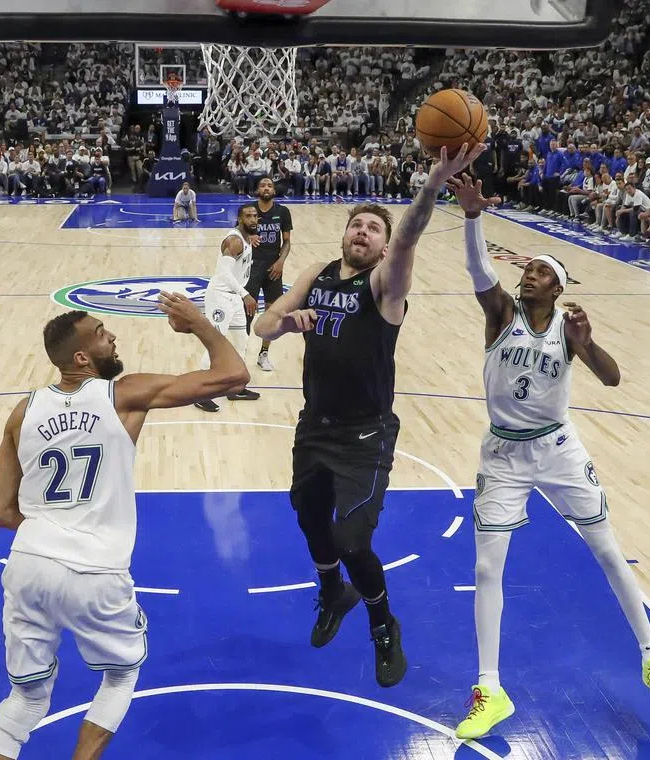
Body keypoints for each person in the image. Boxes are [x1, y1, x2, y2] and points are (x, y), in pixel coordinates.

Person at [444, 174, 650, 739]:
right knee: (486, 567)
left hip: (558, 448)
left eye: (540, 272)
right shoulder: (500, 314)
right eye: (527, 269)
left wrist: (586, 344)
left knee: (607, 550)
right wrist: (473, 216)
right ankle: (490, 689)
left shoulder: (568, 329)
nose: (528, 275)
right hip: (502, 454)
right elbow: (481, 274)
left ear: (557, 287)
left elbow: (612, 378)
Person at [253, 143, 486, 687]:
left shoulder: (385, 286)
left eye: (373, 230)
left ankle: (383, 623)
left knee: (353, 540)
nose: (363, 232)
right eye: (357, 225)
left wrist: (432, 183)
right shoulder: (318, 271)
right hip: (315, 426)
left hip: (366, 435)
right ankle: (332, 588)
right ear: (344, 234)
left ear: (384, 248)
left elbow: (409, 234)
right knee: (311, 520)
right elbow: (263, 325)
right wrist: (286, 324)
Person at [0, 295, 249, 760]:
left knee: (25, 699)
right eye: (103, 333)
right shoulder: (123, 394)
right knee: (121, 675)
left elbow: (1, 513)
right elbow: (233, 375)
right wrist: (200, 324)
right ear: (82, 357)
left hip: (27, 564)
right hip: (96, 570)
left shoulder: (22, 414)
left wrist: (53, 533)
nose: (113, 335)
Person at [195, 205, 261, 412]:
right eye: (248, 216)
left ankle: (235, 387)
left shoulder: (246, 239)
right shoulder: (234, 241)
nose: (253, 220)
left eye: (255, 216)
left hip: (234, 298)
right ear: (239, 219)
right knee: (216, 343)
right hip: (221, 297)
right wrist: (246, 294)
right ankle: (200, 393)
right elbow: (224, 273)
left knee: (242, 340)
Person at [246, 176, 293, 372]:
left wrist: (281, 262)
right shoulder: (248, 210)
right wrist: (248, 235)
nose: (266, 188)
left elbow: (287, 241)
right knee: (246, 313)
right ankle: (240, 353)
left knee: (271, 313)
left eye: (270, 185)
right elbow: (236, 234)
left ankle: (263, 354)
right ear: (258, 189)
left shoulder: (282, 212)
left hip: (274, 268)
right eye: (263, 185)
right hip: (252, 268)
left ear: (274, 190)